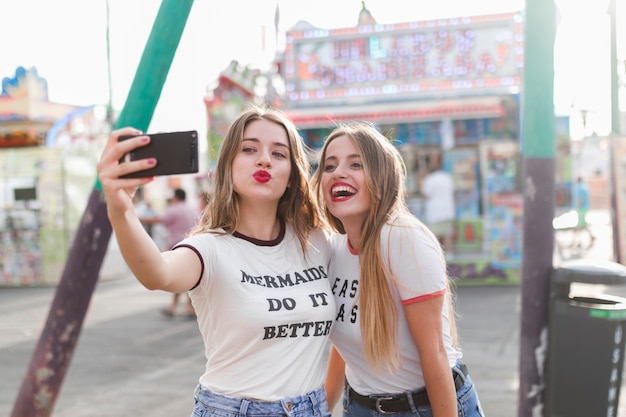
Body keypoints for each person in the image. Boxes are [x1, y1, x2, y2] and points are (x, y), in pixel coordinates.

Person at [96, 105, 334, 417]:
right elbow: (156, 273)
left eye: (279, 153)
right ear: (228, 167)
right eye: (249, 149)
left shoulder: (319, 242)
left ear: (292, 176)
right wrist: (120, 208)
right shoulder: (209, 249)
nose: (264, 159)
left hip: (311, 407)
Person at [312, 122, 484, 417]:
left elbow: (435, 354)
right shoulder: (333, 249)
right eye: (329, 166)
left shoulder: (403, 238)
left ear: (382, 176)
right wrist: (324, 408)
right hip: (360, 406)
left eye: (356, 164)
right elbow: (344, 348)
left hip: (424, 407)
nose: (338, 172)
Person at [140, 188, 199, 318]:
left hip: (177, 246)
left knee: (180, 278)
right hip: (193, 245)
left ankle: (178, 307)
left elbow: (159, 220)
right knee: (189, 278)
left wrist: (136, 219)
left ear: (176, 197)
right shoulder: (192, 209)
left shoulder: (174, 209)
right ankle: (187, 307)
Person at [421, 156, 455, 254]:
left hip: (434, 212)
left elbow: (426, 195)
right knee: (447, 235)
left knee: (434, 237)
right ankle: (450, 254)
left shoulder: (429, 179)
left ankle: (436, 256)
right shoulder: (447, 177)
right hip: (447, 210)